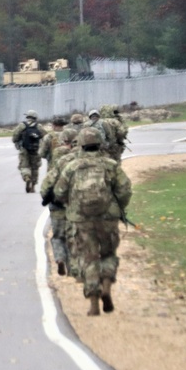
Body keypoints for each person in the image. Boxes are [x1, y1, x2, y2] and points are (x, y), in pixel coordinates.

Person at [53, 128, 132, 316]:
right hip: (107, 218)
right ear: (99, 143)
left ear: (80, 144)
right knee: (108, 254)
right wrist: (118, 207)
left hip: (81, 220)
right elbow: (125, 189)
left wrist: (71, 203)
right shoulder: (110, 165)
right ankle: (106, 286)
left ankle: (94, 302)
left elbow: (59, 192)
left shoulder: (72, 167)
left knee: (88, 258)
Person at [40, 128, 78, 277]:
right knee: (73, 237)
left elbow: (46, 186)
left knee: (58, 236)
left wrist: (47, 198)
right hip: (76, 207)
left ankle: (60, 258)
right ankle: (73, 268)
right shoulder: (83, 161)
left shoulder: (60, 161)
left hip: (57, 205)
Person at [11, 110, 47, 192]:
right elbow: (46, 137)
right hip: (36, 150)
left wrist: (18, 142)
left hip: (24, 149)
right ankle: (33, 186)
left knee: (24, 166)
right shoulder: (39, 126)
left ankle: (27, 177)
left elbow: (14, 137)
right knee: (35, 168)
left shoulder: (22, 125)